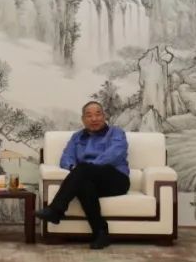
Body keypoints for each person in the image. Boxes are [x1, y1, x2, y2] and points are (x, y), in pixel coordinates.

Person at [34, 101, 129, 250]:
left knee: (83, 170)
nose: (94, 119)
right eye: (89, 115)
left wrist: (88, 168)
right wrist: (74, 169)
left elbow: (115, 154)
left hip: (116, 179)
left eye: (98, 114)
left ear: (104, 116)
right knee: (84, 185)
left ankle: (56, 210)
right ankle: (101, 233)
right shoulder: (77, 137)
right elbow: (66, 158)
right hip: (90, 179)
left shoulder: (116, 133)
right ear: (83, 119)